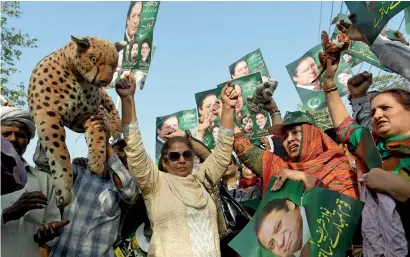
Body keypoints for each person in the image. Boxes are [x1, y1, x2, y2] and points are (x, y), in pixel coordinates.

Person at [116, 75, 238, 256]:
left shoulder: (202, 180)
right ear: (164, 161)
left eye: (187, 154)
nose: (181, 160)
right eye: (174, 156)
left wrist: (227, 108)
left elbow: (222, 153)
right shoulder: (156, 184)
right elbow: (134, 148)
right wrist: (128, 100)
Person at [322, 54, 410, 255]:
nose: (377, 115)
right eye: (373, 112)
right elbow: (344, 127)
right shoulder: (371, 146)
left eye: (385, 108)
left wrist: (399, 189)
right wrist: (328, 81)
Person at [49, 116, 138, 257]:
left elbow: (130, 193)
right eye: (117, 150)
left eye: (124, 152)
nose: (120, 154)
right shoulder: (79, 173)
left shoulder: (126, 186)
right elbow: (45, 160)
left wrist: (106, 142)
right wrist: (57, 121)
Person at [233, 109, 359, 199]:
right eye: (285, 136)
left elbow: (350, 210)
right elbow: (245, 149)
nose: (289, 140)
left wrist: (306, 179)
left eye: (295, 132)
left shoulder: (341, 168)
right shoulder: (283, 170)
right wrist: (227, 111)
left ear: (313, 134)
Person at [0, 106, 62, 257]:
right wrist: (6, 214)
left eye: (20, 135)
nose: (13, 139)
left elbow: (51, 227)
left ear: (27, 141)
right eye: (6, 133)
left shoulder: (44, 180)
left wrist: (47, 234)